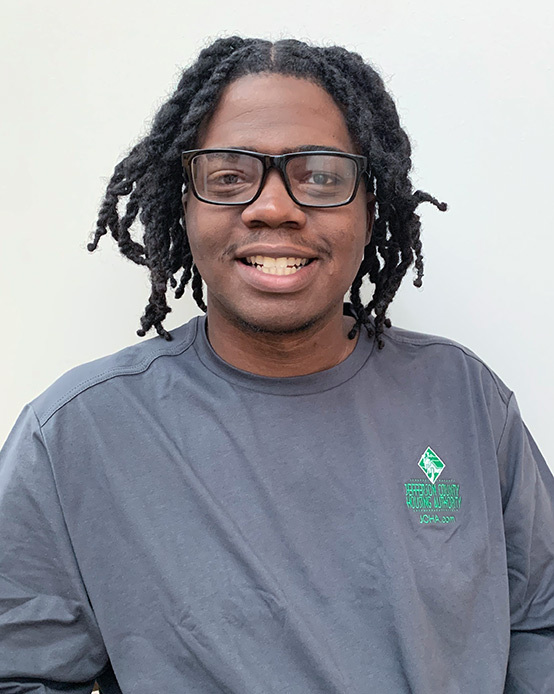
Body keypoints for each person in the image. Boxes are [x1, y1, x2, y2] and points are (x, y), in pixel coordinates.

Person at [0, 36, 552, 694]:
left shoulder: (464, 398)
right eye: (230, 177)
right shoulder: (74, 434)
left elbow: (539, 627)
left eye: (320, 176)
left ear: (370, 210)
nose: (274, 207)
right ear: (184, 203)